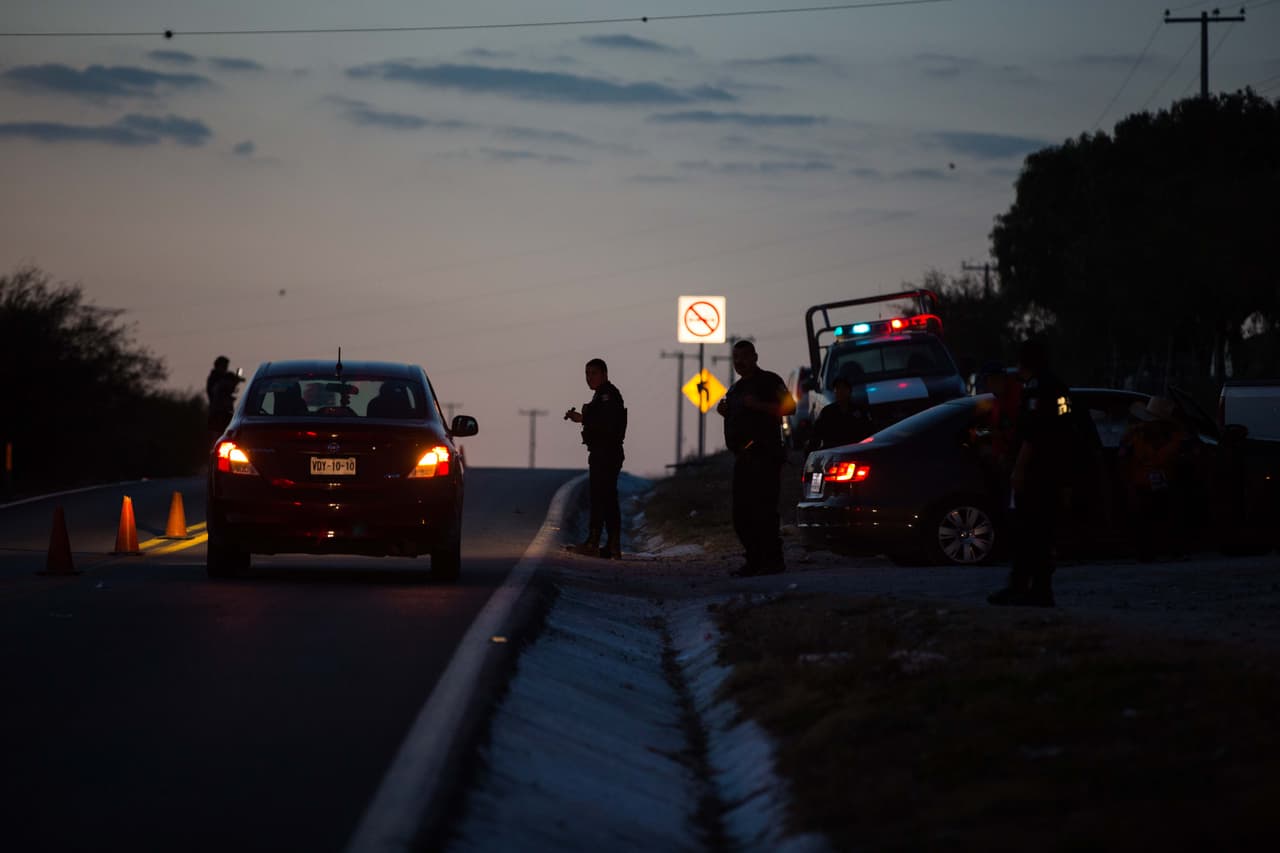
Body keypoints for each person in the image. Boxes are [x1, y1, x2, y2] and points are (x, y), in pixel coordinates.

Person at [988, 338, 1073, 608]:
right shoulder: (1059, 387)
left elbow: (1033, 434)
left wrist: (1019, 469)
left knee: (1029, 532)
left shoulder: (1037, 389)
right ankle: (1035, 588)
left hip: (1037, 473)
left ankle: (1027, 588)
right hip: (1054, 469)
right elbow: (1066, 425)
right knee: (1041, 533)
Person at [716, 340, 797, 577]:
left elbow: (789, 407)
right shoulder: (736, 389)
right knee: (741, 514)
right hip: (743, 458)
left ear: (755, 357)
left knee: (764, 510)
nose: (739, 362)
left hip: (765, 455)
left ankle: (772, 561)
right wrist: (725, 412)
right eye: (735, 358)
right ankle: (754, 559)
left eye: (743, 356)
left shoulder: (769, 381)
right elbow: (735, 416)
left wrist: (758, 405)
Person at [564, 358, 627, 558]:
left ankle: (595, 542)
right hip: (602, 452)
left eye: (594, 373)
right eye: (587, 374)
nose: (589, 378)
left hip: (607, 453)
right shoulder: (601, 396)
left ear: (604, 374)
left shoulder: (608, 395)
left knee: (602, 498)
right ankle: (610, 545)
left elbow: (607, 423)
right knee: (605, 498)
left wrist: (582, 418)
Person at [1119, 396, 1189, 561]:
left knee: (1164, 515)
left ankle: (1167, 549)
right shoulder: (1134, 436)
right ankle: (1148, 551)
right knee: (1146, 517)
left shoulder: (1175, 438)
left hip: (1162, 485)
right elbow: (1123, 460)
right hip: (1142, 485)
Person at [804, 375, 874, 454]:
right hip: (834, 453)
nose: (840, 391)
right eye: (837, 388)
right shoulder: (827, 412)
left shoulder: (860, 411)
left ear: (849, 391)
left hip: (856, 450)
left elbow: (869, 433)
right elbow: (816, 435)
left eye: (843, 388)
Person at [205, 355, 244, 442]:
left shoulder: (222, 377)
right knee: (217, 437)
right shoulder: (215, 379)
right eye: (224, 366)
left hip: (224, 412)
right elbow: (217, 392)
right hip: (217, 412)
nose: (225, 369)